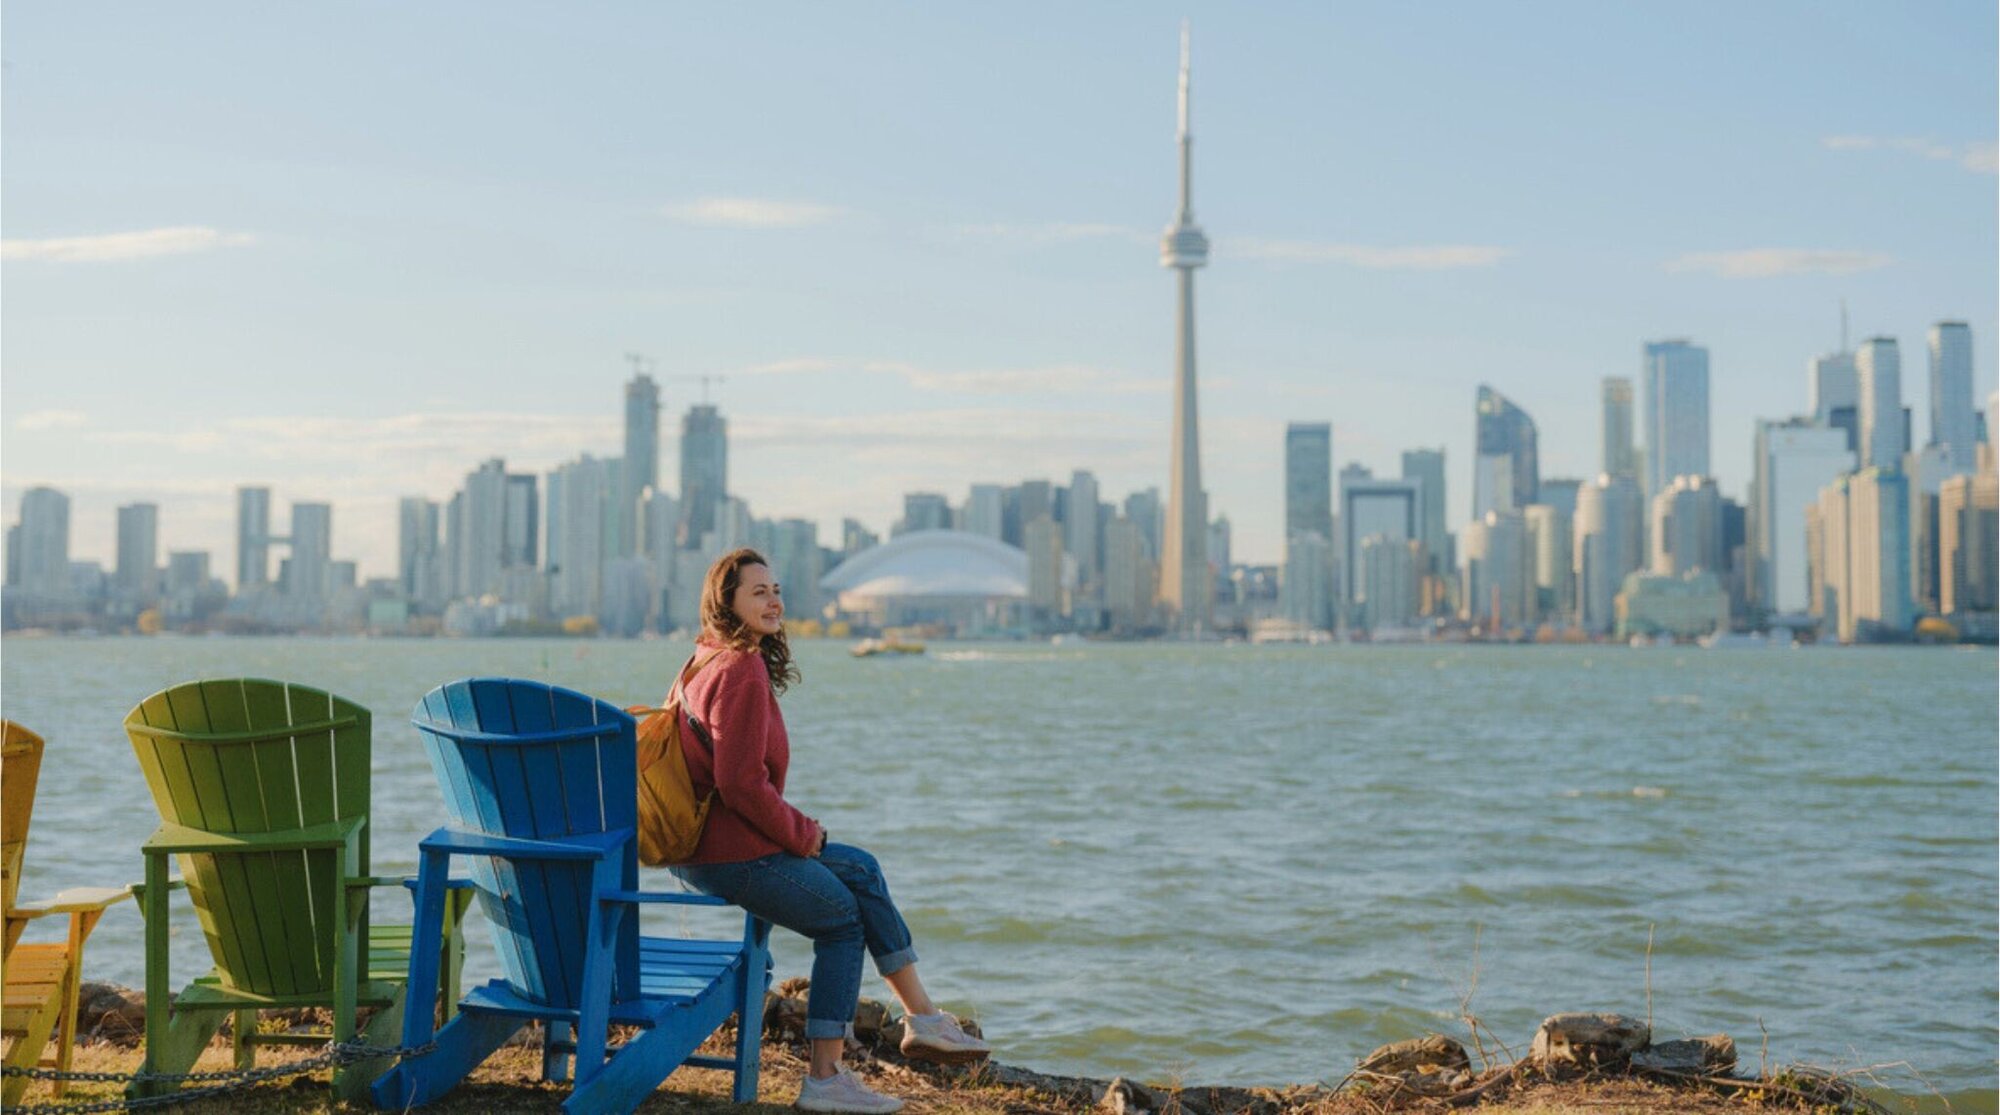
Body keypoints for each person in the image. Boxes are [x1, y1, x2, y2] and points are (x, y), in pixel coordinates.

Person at [668, 547, 989, 1115]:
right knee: (842, 920)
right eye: (758, 592)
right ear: (727, 603)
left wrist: (799, 834)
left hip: (703, 849)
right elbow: (740, 785)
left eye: (776, 590)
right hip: (729, 853)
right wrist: (802, 835)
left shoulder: (703, 659)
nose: (773, 601)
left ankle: (922, 1019)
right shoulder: (739, 669)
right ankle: (825, 1079)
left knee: (861, 868)